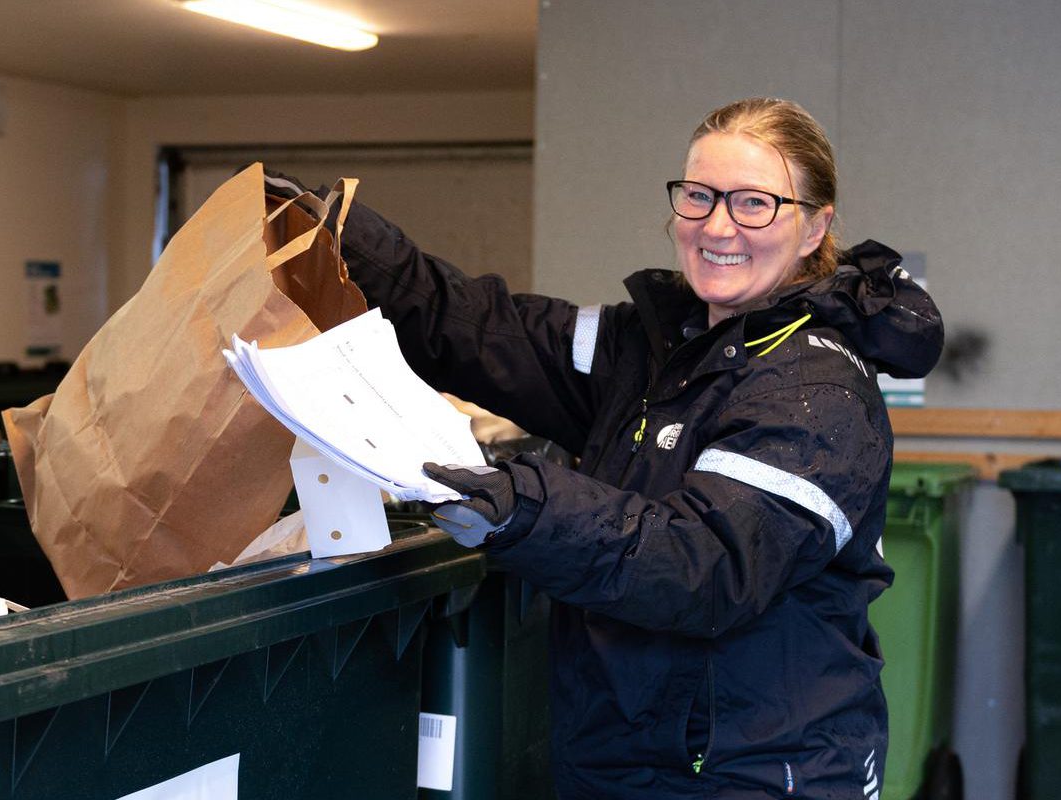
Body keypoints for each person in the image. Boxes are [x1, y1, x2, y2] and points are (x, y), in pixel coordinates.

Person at [274, 96, 942, 799]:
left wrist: (527, 505)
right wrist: (345, 238)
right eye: (699, 196)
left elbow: (701, 565)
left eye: (755, 203)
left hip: (753, 775)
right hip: (624, 760)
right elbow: (482, 329)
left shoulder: (817, 389)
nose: (718, 225)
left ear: (814, 227)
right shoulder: (651, 348)